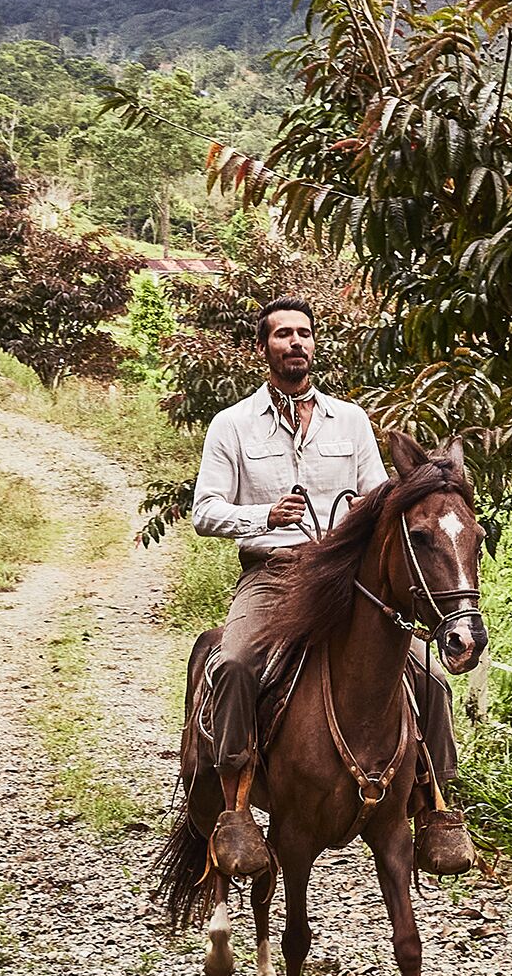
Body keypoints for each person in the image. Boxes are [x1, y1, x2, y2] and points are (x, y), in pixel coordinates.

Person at [189, 297, 474, 879]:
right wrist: (264, 516)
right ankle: (236, 804)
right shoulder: (232, 424)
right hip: (271, 573)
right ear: (263, 347)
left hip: (343, 579)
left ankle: (435, 805)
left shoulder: (350, 421)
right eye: (282, 334)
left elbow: (381, 499)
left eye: (304, 333)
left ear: (314, 345)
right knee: (236, 662)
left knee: (430, 677)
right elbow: (205, 511)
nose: (295, 342)